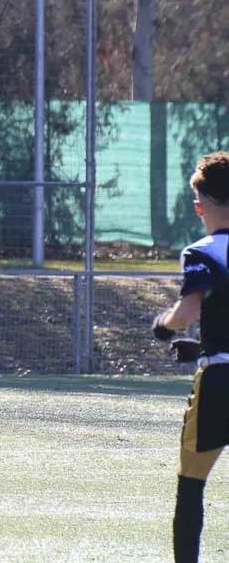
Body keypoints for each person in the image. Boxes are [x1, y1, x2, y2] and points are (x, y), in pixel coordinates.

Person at [152, 152, 229, 563]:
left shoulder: (202, 251)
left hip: (219, 382)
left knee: (191, 483)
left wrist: (164, 326)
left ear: (200, 207)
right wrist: (204, 346)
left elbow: (188, 312)